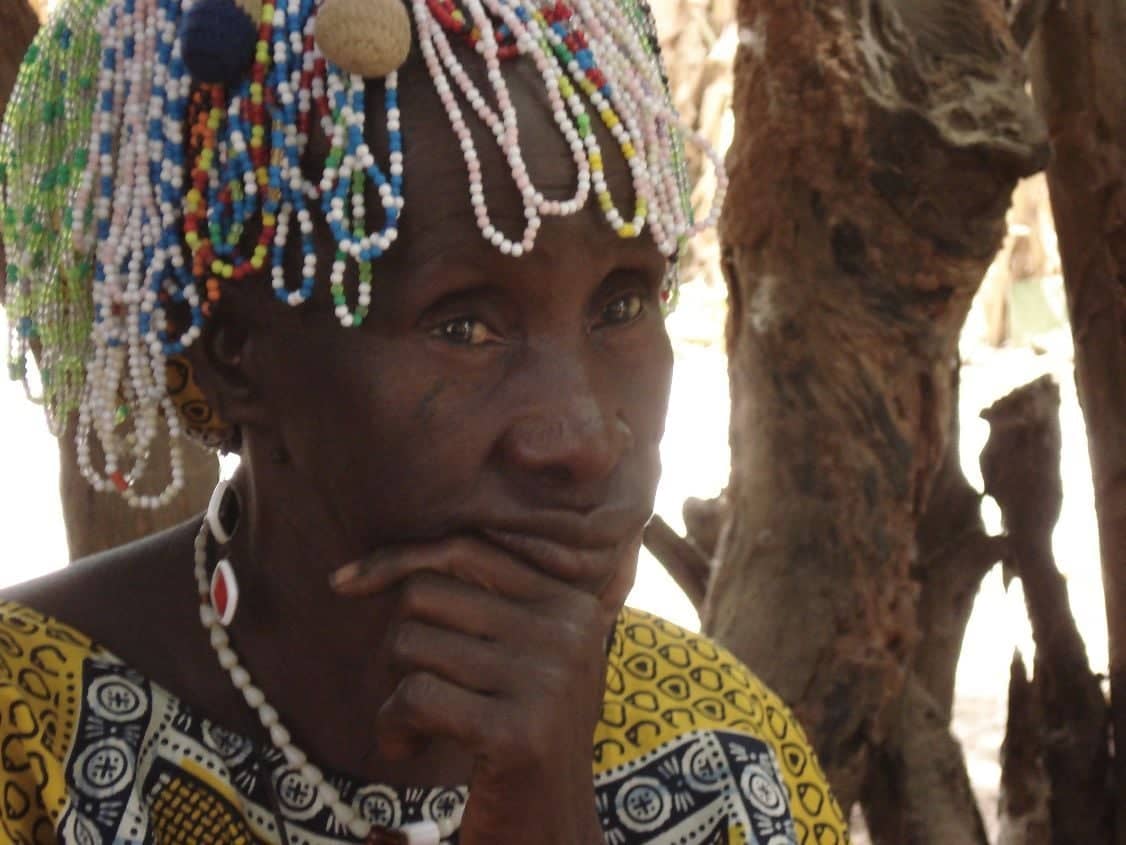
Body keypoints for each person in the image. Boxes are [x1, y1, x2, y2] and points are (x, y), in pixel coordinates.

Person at [0, 0, 850, 839]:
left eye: (621, 303)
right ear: (238, 359)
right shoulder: (28, 733)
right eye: (464, 327)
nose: (585, 438)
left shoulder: (732, 758)